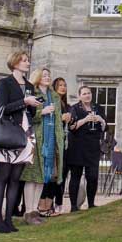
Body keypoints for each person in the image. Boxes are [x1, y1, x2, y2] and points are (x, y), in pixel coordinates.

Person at [0, 51, 40, 234]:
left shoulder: (29, 85)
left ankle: (9, 219)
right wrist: (23, 101)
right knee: (3, 176)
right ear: (15, 63)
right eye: (24, 60)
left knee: (15, 179)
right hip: (8, 133)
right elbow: (2, 109)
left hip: (25, 133)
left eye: (28, 60)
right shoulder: (4, 83)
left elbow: (31, 113)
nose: (28, 63)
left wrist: (32, 105)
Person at [21, 68, 64, 224]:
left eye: (48, 75)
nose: (47, 77)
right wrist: (42, 112)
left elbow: (58, 120)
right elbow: (26, 117)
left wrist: (61, 139)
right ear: (38, 78)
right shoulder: (31, 94)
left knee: (43, 178)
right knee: (32, 176)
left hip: (51, 140)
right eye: (44, 75)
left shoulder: (55, 97)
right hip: (35, 140)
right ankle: (28, 212)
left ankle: (35, 210)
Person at [66, 86, 106, 212]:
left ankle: (91, 204)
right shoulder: (74, 108)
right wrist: (85, 120)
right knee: (76, 176)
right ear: (79, 96)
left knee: (93, 176)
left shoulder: (98, 108)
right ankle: (73, 206)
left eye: (89, 93)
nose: (87, 95)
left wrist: (101, 120)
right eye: (84, 93)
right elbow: (71, 127)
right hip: (77, 147)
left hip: (93, 147)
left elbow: (105, 128)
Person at [39, 76, 72, 215]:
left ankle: (52, 204)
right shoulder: (50, 100)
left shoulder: (67, 105)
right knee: (49, 174)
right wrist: (61, 119)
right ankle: (42, 206)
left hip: (63, 144)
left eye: (64, 85)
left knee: (58, 175)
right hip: (51, 142)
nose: (63, 87)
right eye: (60, 85)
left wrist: (70, 120)